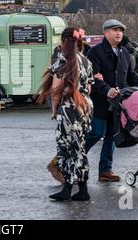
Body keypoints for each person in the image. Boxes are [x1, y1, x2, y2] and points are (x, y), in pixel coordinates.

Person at [37, 27, 94, 201]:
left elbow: (55, 89)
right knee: (80, 148)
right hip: (85, 107)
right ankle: (82, 189)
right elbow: (89, 87)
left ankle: (68, 188)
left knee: (67, 149)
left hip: (69, 108)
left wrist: (54, 110)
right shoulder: (86, 61)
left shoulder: (63, 60)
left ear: (64, 41)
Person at [85, 19, 138, 182]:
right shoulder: (95, 52)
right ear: (105, 32)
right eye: (115, 30)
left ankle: (105, 170)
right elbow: (93, 78)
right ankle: (72, 158)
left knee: (112, 134)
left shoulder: (124, 52)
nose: (119, 33)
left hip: (118, 102)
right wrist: (106, 89)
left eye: (121, 30)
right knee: (96, 132)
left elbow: (130, 76)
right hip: (100, 101)